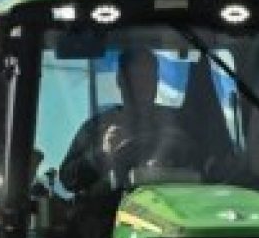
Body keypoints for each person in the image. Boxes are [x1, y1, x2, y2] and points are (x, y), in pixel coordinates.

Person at [59, 46, 194, 193]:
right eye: (137, 78)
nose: (143, 86)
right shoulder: (97, 127)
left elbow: (208, 166)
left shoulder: (178, 122)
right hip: (112, 206)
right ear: (120, 80)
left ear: (157, 81)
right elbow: (68, 179)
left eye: (149, 77)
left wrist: (174, 157)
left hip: (172, 203)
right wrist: (102, 154)